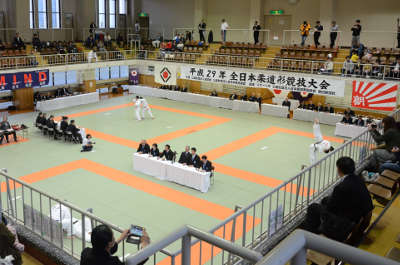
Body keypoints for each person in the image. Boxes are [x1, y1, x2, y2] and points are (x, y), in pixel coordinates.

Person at [301, 157, 373, 242]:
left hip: (345, 223)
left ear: (339, 169)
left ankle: (309, 236)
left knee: (313, 207)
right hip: (358, 216)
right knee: (325, 200)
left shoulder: (340, 187)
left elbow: (330, 208)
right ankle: (317, 228)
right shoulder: (359, 179)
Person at [80, 224, 150, 265]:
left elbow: (102, 252)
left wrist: (120, 238)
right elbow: (135, 263)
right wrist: (145, 244)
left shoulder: (85, 253)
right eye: (113, 236)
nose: (114, 237)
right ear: (110, 244)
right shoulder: (113, 263)